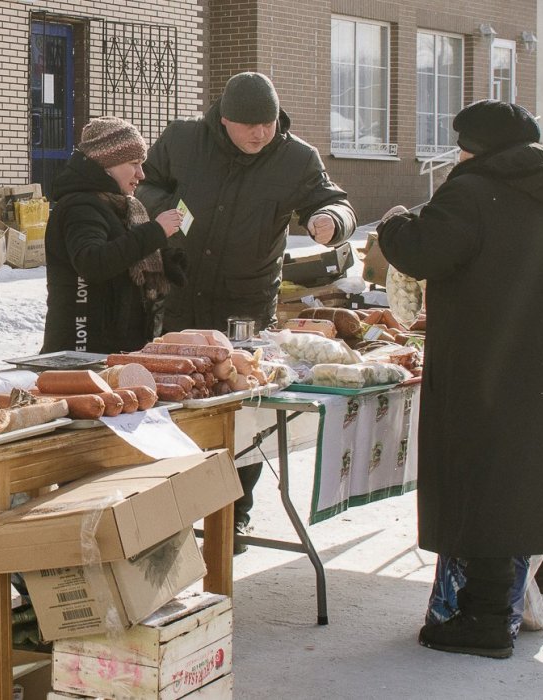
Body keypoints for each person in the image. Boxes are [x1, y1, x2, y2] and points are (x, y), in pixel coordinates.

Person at [377, 100, 543, 658]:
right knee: (534, 482)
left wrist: (394, 221)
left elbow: (420, 251)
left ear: (479, 147)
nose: (458, 155)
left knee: (488, 487)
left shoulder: (470, 193)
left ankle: (487, 622)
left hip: (485, 367)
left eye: (463, 144)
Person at [137, 71, 357, 548]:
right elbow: (147, 182)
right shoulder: (183, 139)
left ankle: (235, 511)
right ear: (224, 119)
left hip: (247, 298)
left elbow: (333, 200)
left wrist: (330, 220)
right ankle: (172, 505)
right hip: (183, 288)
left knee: (243, 404)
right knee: (179, 397)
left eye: (270, 123)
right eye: (249, 124)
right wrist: (165, 212)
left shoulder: (296, 158)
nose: (261, 133)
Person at [42, 116, 186, 353]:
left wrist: (164, 262)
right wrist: (155, 232)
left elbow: (121, 257)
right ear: (105, 165)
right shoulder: (80, 206)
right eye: (133, 163)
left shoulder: (120, 204)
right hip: (82, 349)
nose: (142, 174)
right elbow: (92, 262)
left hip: (113, 346)